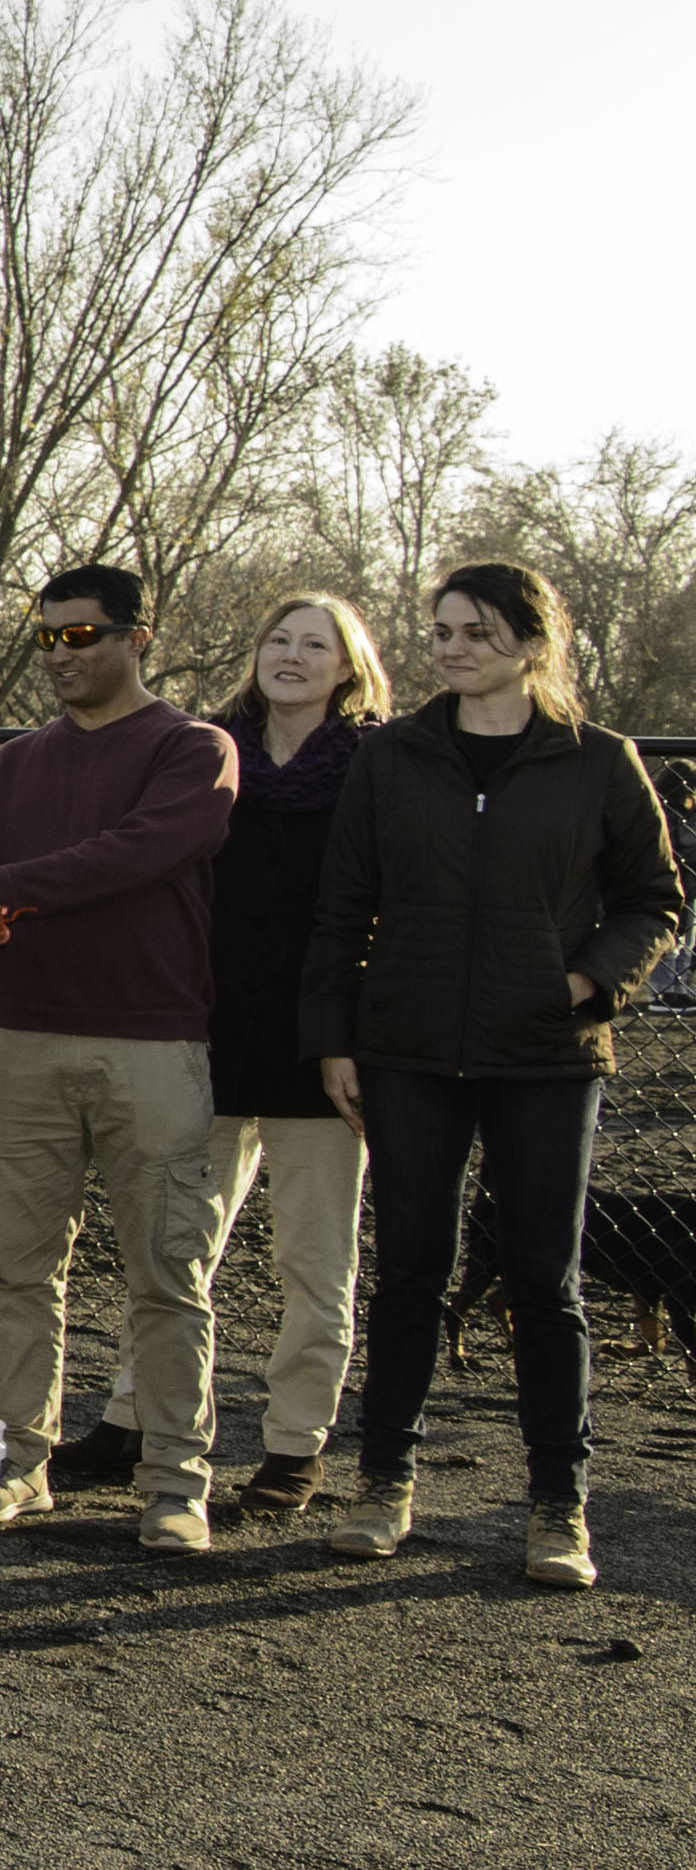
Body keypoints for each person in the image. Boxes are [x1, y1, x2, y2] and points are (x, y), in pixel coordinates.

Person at [310, 562, 683, 1589]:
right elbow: (341, 908)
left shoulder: (598, 762)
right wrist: (335, 1038)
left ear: (531, 642)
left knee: (541, 1280)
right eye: (438, 629)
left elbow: (652, 900)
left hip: (543, 1058)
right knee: (410, 1273)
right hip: (407, 1053)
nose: (449, 646)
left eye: (473, 630)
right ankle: (381, 1483)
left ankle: (556, 1505)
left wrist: (581, 984)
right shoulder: (391, 760)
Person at [57, 593, 386, 1515]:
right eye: (277, 638)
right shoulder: (208, 751)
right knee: (174, 1248)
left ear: (346, 665)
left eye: (313, 644)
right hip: (206, 1037)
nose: (291, 655)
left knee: (316, 1264)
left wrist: (349, 1036)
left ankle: (294, 1446)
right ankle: (136, 1419)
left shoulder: (376, 767)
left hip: (325, 1052)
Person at [0, 561, 238, 1554]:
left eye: (79, 636)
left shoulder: (192, 750)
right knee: (19, 1271)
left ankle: (172, 1486)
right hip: (23, 1040)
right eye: (45, 638)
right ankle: (19, 1467)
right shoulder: (18, 764)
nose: (59, 655)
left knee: (167, 1274)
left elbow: (130, 856)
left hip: (153, 1045)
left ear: (133, 639)